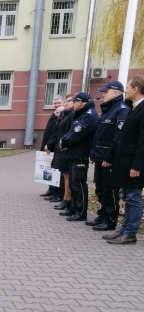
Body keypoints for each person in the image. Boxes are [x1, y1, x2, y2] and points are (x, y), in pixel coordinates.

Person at [102, 75, 144, 244]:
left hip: (134, 164)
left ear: (136, 89)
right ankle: (124, 230)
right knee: (127, 196)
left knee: (133, 198)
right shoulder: (135, 107)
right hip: (126, 162)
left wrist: (137, 166)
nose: (125, 90)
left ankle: (131, 233)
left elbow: (142, 141)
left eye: (127, 87)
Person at [86, 81, 129, 232]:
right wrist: (94, 154)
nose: (103, 94)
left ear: (116, 93)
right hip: (100, 157)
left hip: (109, 159)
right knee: (100, 188)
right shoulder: (109, 110)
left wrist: (109, 158)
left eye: (106, 92)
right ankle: (102, 214)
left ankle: (110, 220)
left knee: (109, 190)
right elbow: (100, 136)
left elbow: (118, 137)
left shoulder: (122, 110)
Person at [58, 92, 99, 221]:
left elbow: (76, 134)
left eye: (74, 102)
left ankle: (80, 212)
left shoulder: (89, 115)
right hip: (74, 153)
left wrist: (64, 142)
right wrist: (63, 142)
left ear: (80, 103)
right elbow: (71, 131)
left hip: (80, 155)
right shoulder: (82, 113)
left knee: (78, 184)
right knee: (73, 183)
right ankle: (74, 208)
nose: (72, 104)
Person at [51, 94, 76, 212]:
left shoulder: (72, 114)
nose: (66, 103)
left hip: (66, 149)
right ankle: (65, 198)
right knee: (65, 174)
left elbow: (70, 132)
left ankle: (67, 199)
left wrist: (65, 144)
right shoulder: (65, 114)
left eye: (69, 101)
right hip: (61, 148)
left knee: (68, 175)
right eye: (66, 101)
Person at [40, 96, 63, 198]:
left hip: (54, 147)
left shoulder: (62, 116)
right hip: (48, 145)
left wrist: (50, 145)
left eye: (59, 103)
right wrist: (44, 146)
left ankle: (56, 191)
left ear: (64, 103)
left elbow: (56, 134)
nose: (57, 105)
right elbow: (48, 132)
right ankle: (51, 189)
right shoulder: (54, 115)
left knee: (56, 170)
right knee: (48, 169)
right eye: (55, 103)